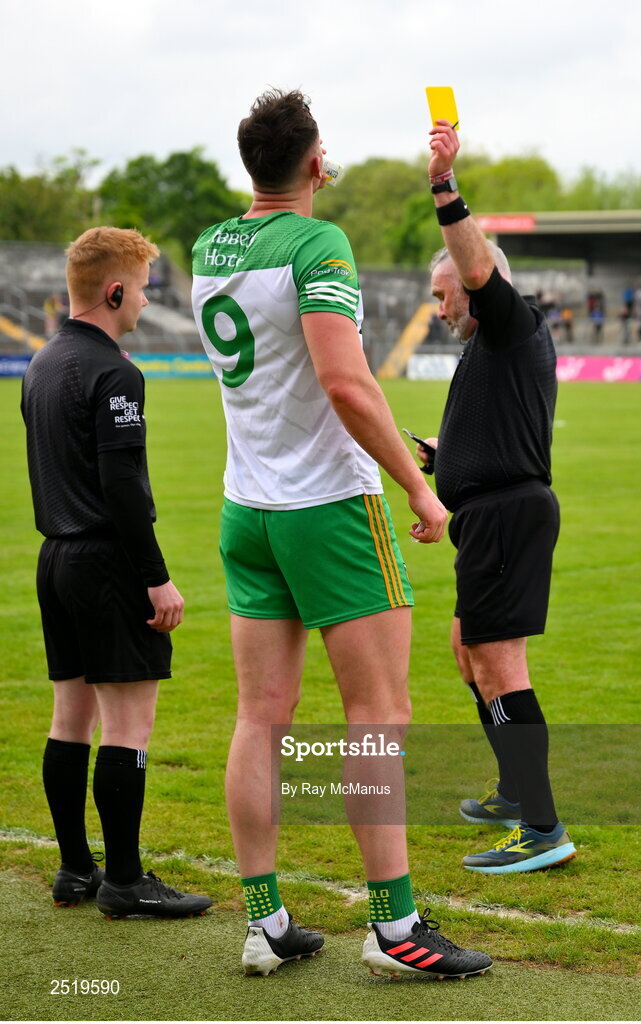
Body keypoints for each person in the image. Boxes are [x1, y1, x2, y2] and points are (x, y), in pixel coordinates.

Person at [191, 89, 492, 979]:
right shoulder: (317, 240)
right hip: (326, 505)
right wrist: (421, 491)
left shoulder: (214, 243)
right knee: (376, 716)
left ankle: (264, 921)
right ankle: (395, 928)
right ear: (315, 163)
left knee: (259, 718)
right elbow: (346, 382)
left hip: (246, 506)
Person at [21, 226, 212, 919]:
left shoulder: (40, 364)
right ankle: (126, 881)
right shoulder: (115, 372)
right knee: (127, 723)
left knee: (70, 715)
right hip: (105, 561)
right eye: (142, 289)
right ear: (114, 291)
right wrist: (155, 576)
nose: (144, 301)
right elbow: (122, 484)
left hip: (56, 559)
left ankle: (76, 868)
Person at [417, 119, 576, 874]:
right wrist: (446, 458)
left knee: (499, 664)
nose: (437, 306)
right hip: (490, 514)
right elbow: (500, 429)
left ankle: (541, 827)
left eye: (442, 292)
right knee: (468, 652)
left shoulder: (509, 321)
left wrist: (444, 186)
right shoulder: (489, 347)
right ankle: (517, 793)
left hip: (507, 517)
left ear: (476, 282)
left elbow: (476, 267)